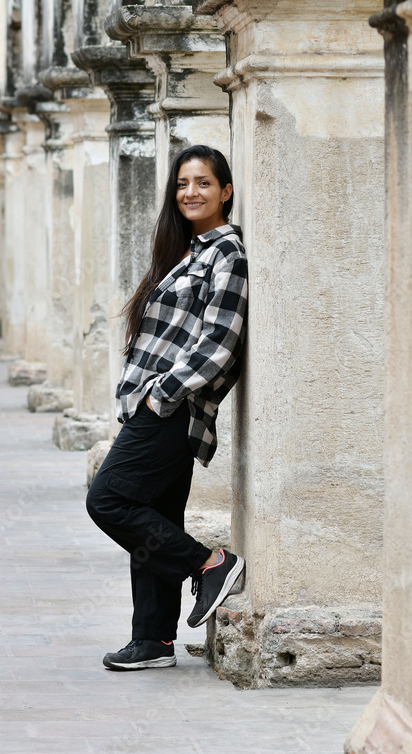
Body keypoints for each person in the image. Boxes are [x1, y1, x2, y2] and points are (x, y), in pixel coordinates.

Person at [86, 143, 248, 671]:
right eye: (182, 184)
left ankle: (210, 563)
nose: (190, 192)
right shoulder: (186, 251)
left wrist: (162, 394)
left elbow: (221, 340)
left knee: (108, 500)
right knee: (153, 516)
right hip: (152, 404)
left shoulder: (227, 254)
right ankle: (153, 640)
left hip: (174, 409)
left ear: (226, 191)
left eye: (203, 183)